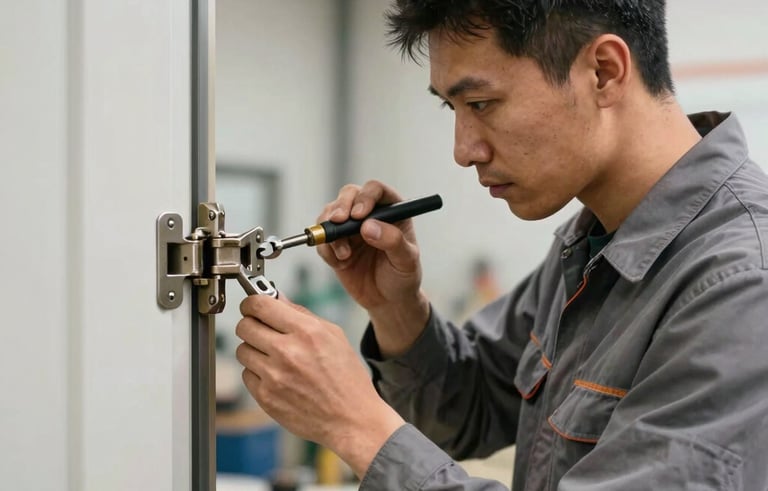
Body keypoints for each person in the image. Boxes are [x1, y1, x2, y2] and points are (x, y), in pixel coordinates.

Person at [234, 1, 768, 489]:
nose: (464, 151)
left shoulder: (741, 283)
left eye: (483, 103)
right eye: (453, 109)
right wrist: (397, 309)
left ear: (604, 72)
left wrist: (353, 423)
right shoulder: (591, 243)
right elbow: (470, 414)